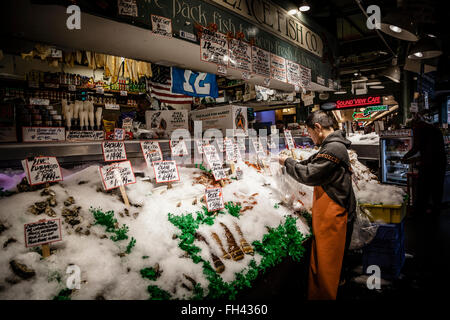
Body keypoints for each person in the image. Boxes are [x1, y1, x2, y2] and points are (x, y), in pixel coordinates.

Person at [279, 110, 356, 300]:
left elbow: (310, 174)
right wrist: (293, 162)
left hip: (335, 212)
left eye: (310, 132)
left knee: (328, 262)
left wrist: (288, 162)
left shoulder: (334, 148)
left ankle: (327, 295)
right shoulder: (331, 145)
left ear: (318, 128)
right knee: (323, 259)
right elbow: (313, 162)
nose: (310, 137)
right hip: (329, 211)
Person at [402, 114, 446, 217]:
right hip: (440, 162)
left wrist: (405, 156)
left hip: (429, 164)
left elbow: (417, 147)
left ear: (413, 125)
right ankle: (435, 210)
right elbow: (430, 148)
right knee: (437, 187)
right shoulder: (433, 129)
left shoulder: (418, 129)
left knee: (423, 187)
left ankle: (419, 211)